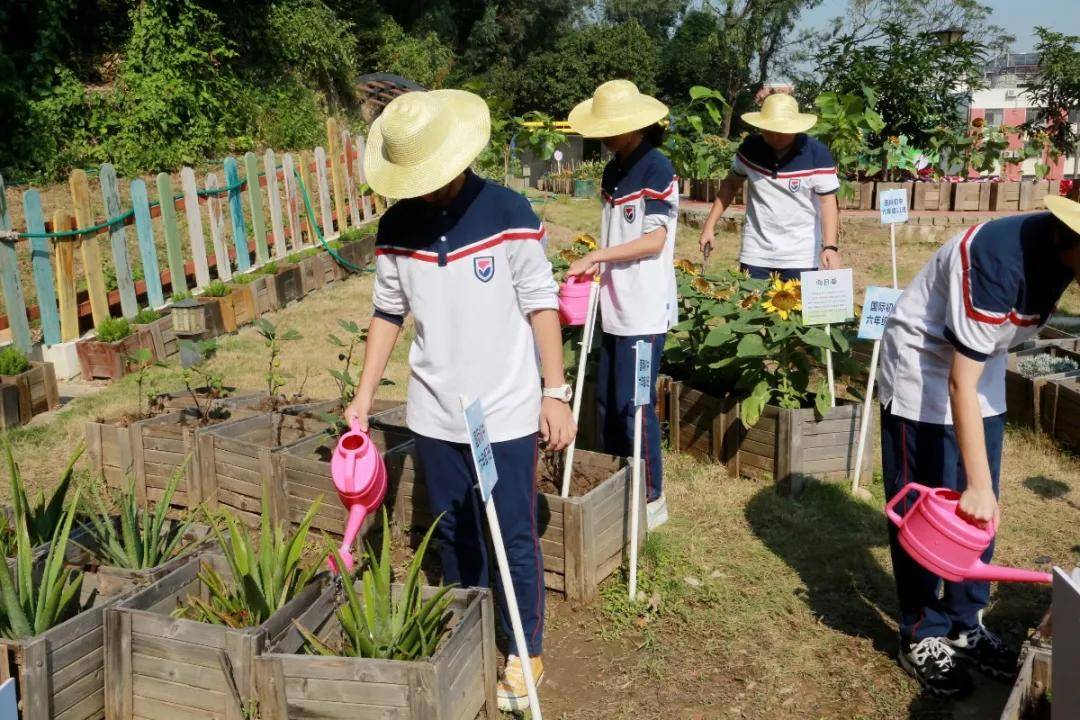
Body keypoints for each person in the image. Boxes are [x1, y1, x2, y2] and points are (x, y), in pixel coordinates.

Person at [344, 88, 576, 711]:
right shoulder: (396, 227)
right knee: (451, 532)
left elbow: (541, 303)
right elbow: (388, 313)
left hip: (503, 410)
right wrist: (364, 396)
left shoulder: (508, 211)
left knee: (513, 533)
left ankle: (524, 651)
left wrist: (555, 392)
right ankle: (469, 633)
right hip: (434, 413)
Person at [876, 197, 1080, 697]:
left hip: (979, 361)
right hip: (924, 366)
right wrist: (979, 485)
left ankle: (966, 623)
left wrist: (981, 489)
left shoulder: (1063, 256)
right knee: (928, 511)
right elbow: (956, 385)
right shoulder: (995, 256)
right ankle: (921, 631)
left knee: (977, 517)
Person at [564, 79, 678, 530]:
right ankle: (615, 487)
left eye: (612, 127)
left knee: (637, 406)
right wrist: (599, 268)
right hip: (613, 306)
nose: (605, 134)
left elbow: (653, 241)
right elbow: (619, 234)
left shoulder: (657, 168)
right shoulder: (614, 170)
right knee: (609, 403)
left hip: (644, 309)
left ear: (637, 125)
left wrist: (597, 255)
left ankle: (651, 498)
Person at [697, 93, 842, 280]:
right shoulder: (750, 149)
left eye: (781, 131)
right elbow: (729, 186)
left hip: (801, 255)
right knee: (750, 307)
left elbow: (827, 202)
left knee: (797, 309)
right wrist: (709, 227)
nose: (775, 137)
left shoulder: (817, 154)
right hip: (756, 252)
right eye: (769, 130)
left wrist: (830, 246)